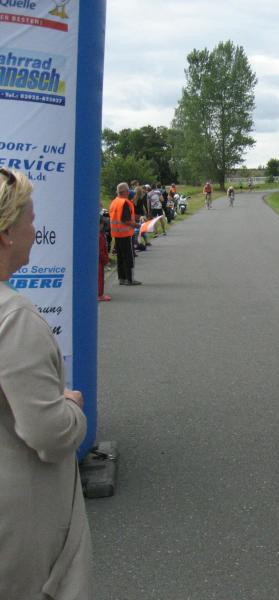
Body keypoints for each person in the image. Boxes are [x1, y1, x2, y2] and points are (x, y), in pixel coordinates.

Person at [0, 168, 92, 599]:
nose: (36, 232)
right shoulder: (14, 318)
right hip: (24, 520)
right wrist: (71, 406)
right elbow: (49, 434)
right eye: (31, 221)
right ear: (6, 234)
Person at [109, 181, 141, 285]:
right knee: (129, 257)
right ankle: (129, 279)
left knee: (120, 257)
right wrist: (136, 225)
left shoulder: (114, 202)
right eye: (128, 191)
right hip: (126, 234)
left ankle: (121, 278)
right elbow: (126, 220)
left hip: (116, 234)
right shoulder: (125, 203)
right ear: (126, 192)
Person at [98, 213, 110, 301]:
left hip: (99, 259)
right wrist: (106, 260)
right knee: (100, 277)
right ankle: (99, 294)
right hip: (100, 261)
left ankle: (99, 293)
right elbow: (101, 250)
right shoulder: (100, 236)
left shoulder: (99, 234)